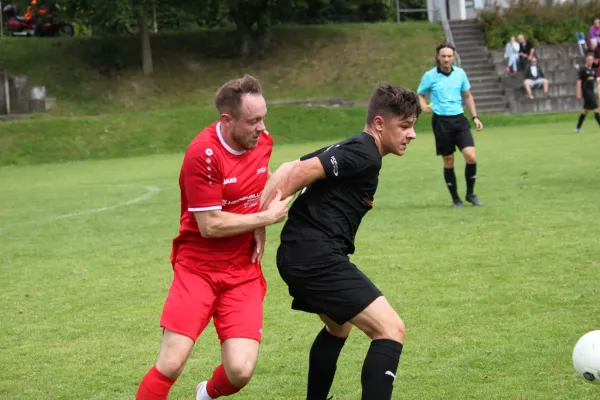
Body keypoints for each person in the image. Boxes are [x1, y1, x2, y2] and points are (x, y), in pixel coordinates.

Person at [135, 74, 294, 400]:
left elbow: (256, 186)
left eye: (264, 117)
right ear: (227, 119)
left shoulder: (262, 142)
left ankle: (205, 395)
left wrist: (257, 224)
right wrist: (265, 218)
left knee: (240, 370)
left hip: (242, 269)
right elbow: (209, 224)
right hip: (199, 267)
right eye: (253, 121)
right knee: (171, 362)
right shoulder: (203, 154)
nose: (262, 128)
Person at [263, 82, 419, 400]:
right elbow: (301, 171)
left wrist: (260, 213)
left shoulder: (355, 146)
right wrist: (262, 220)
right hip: (315, 257)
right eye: (404, 126)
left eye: (412, 127)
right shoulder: (365, 153)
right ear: (379, 123)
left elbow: (288, 166)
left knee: (339, 326)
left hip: (300, 255)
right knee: (391, 330)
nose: (411, 134)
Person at [417, 42, 484, 208]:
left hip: (460, 120)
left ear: (453, 57)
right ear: (437, 57)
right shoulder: (430, 76)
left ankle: (470, 194)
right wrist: (423, 106)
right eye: (443, 56)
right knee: (448, 160)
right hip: (441, 121)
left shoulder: (460, 73)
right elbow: (420, 94)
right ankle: (456, 199)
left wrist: (475, 117)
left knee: (471, 156)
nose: (446, 59)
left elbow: (467, 96)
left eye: (449, 56)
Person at [575, 53, 600, 133]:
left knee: (585, 111)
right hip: (587, 92)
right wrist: (578, 93)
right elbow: (579, 82)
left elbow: (597, 81)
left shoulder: (592, 71)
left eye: (592, 60)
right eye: (589, 60)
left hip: (592, 92)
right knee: (597, 109)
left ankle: (578, 128)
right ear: (586, 60)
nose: (591, 61)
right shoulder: (583, 70)